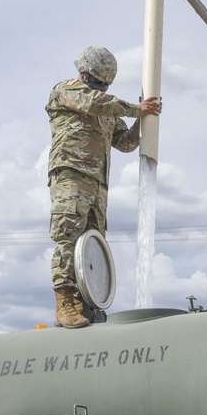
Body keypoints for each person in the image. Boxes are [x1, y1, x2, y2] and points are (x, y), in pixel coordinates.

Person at [46, 46, 162, 328]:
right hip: (71, 175)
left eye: (104, 84)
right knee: (68, 238)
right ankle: (65, 304)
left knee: (91, 246)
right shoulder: (68, 91)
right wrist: (138, 108)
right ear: (84, 74)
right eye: (98, 83)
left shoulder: (107, 108)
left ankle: (87, 306)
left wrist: (144, 120)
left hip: (98, 185)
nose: (100, 88)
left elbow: (125, 142)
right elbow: (97, 103)